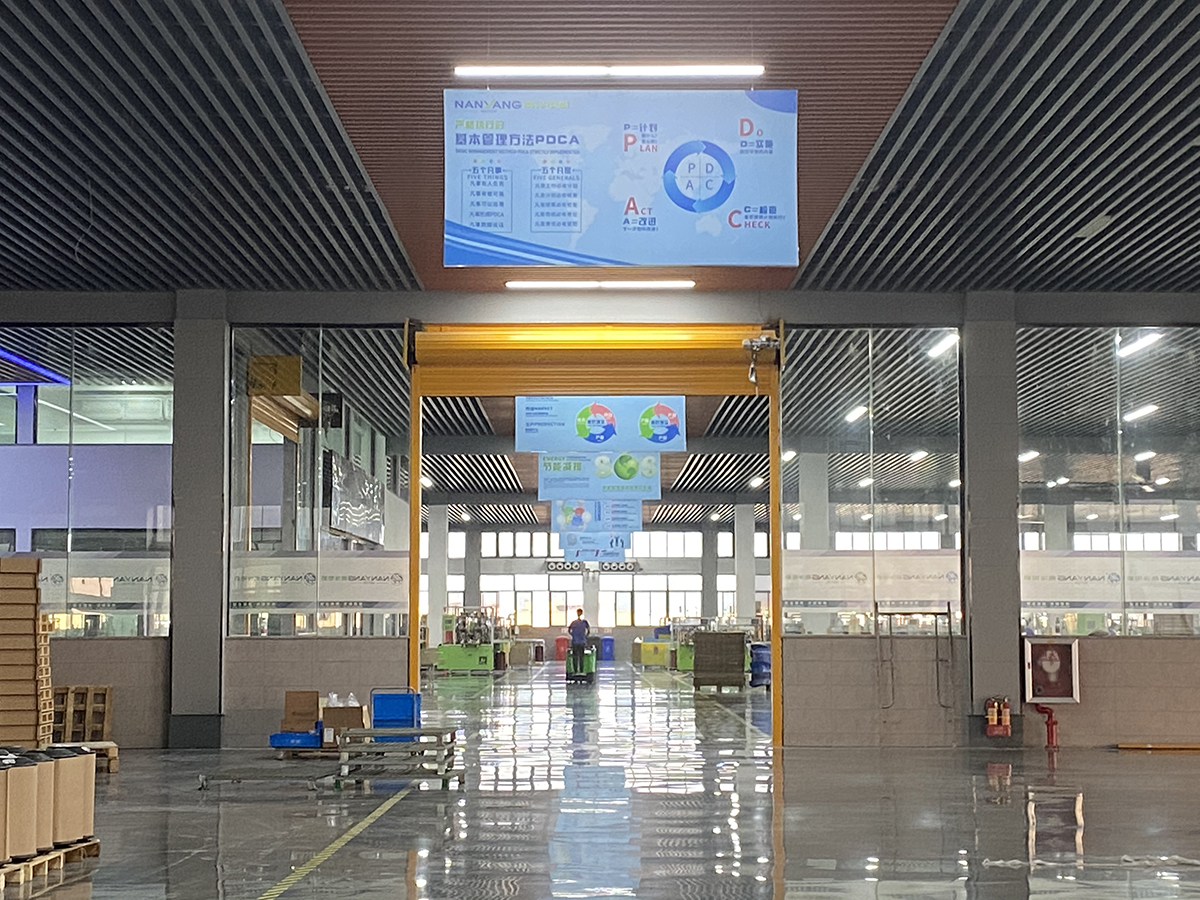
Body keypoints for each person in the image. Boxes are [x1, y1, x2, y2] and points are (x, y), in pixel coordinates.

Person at [568, 608, 590, 674]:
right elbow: (588, 630)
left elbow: (569, 630)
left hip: (575, 642)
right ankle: (581, 670)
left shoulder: (573, 623)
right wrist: (585, 636)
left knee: (575, 657)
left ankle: (575, 671)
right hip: (582, 642)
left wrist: (573, 635)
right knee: (581, 657)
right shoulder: (584, 622)